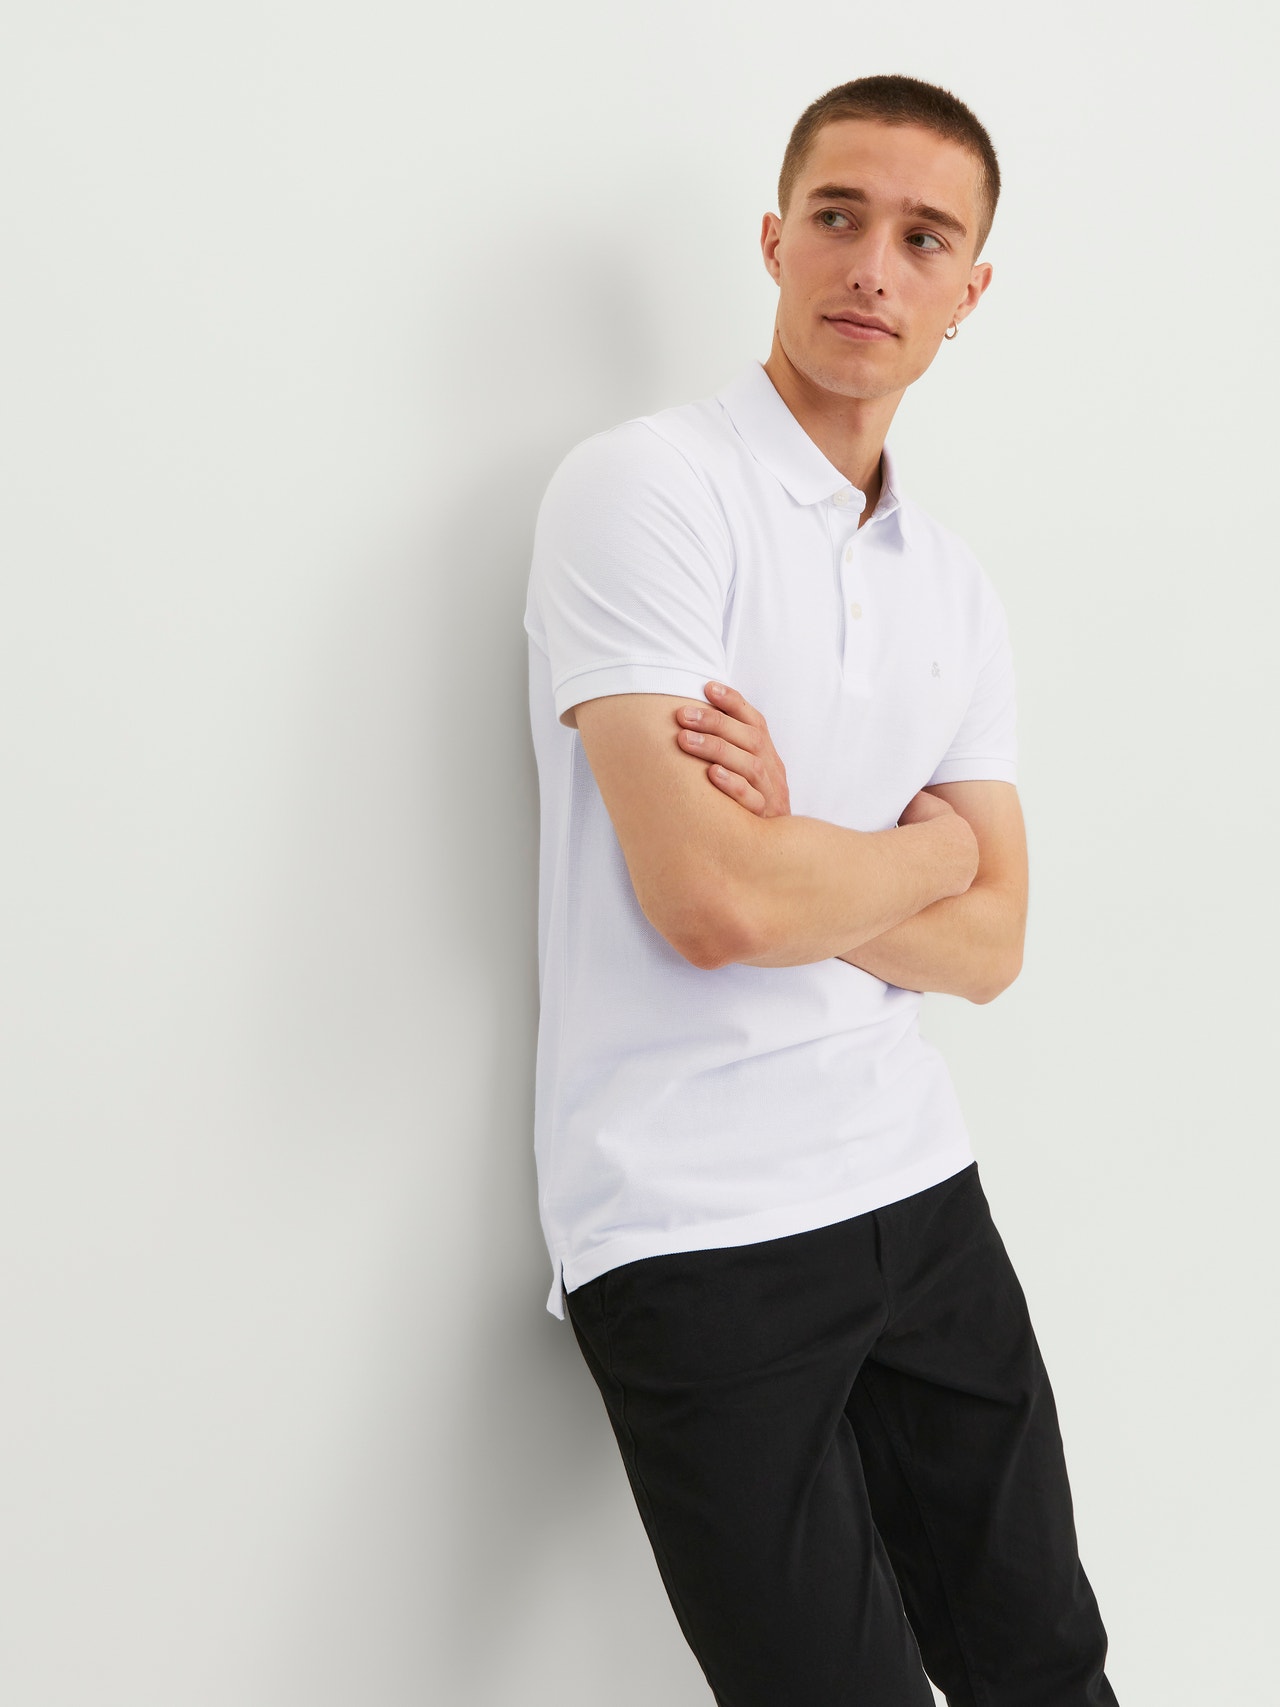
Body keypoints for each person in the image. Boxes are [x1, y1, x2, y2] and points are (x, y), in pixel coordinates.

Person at [522, 72, 1120, 1707]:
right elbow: (714, 905)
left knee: (1047, 1668)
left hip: (917, 1184)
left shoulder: (957, 589)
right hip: (691, 1222)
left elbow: (994, 948)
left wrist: (812, 854)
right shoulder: (647, 490)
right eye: (839, 217)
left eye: (923, 238)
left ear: (969, 290)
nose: (872, 266)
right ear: (775, 239)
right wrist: (927, 850)